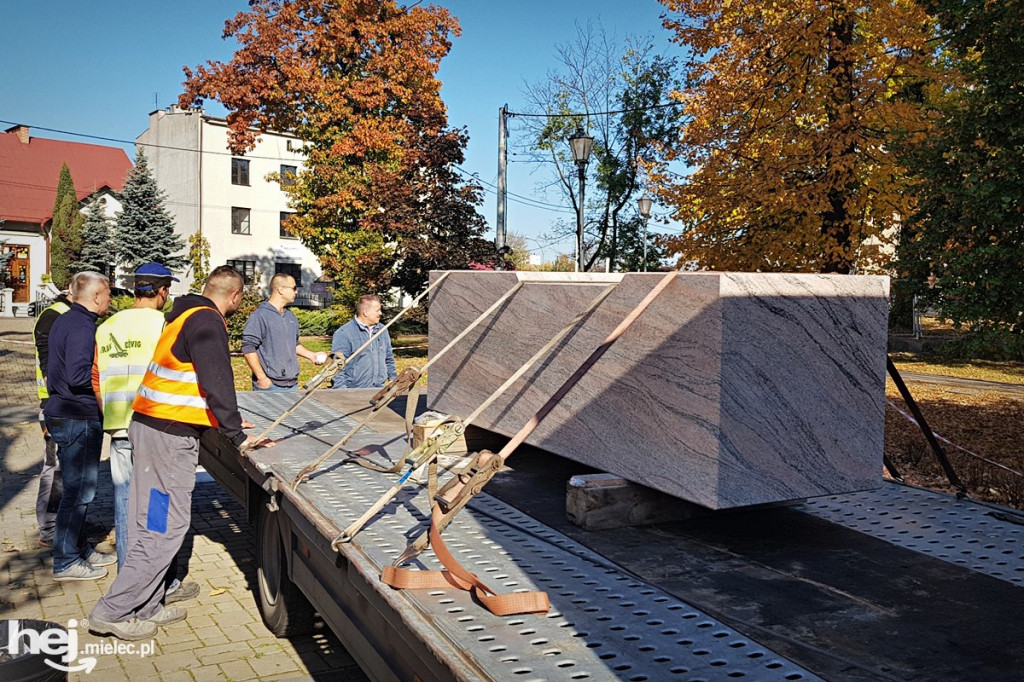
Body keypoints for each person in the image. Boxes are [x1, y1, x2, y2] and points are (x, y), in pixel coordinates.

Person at [88, 265, 272, 641]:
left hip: (152, 430)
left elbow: (191, 381)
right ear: (235, 296)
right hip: (169, 440)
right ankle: (113, 610)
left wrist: (225, 420)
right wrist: (235, 434)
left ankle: (149, 603)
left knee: (148, 521)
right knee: (163, 528)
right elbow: (216, 379)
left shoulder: (181, 317)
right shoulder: (207, 321)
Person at [43, 271, 116, 581]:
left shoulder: (66, 320)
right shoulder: (82, 328)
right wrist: (108, 389)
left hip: (65, 412)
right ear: (97, 296)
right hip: (78, 417)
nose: (111, 300)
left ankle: (79, 547)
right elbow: (77, 376)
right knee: (79, 492)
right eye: (109, 294)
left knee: (76, 490)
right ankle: (65, 560)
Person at [32, 289, 72, 548]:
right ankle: (49, 528)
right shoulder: (57, 316)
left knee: (63, 469)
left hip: (57, 404)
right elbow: (49, 360)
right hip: (54, 405)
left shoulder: (60, 313)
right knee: (55, 468)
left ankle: (64, 522)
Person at [241, 272, 326, 390]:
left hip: (292, 384)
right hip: (270, 386)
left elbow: (293, 343)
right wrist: (261, 377)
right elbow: (248, 347)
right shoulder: (260, 316)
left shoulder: (290, 316)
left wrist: (311, 355)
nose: (296, 292)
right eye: (294, 288)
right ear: (281, 289)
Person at [331, 294, 397, 389]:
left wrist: (393, 379)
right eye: (377, 310)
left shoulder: (382, 330)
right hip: (354, 390)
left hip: (379, 389)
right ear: (365, 312)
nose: (380, 313)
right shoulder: (344, 333)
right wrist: (342, 391)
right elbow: (337, 366)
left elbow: (389, 358)